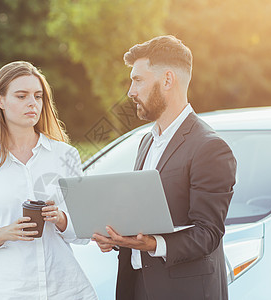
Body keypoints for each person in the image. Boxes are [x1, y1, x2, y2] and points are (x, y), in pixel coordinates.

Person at [93, 36, 237, 300]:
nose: (130, 91)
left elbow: (208, 233)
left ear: (167, 80)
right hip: (136, 287)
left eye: (138, 80)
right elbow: (145, 217)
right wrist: (117, 238)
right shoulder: (146, 142)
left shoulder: (210, 147)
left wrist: (154, 244)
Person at [0, 61, 97, 300]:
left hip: (64, 290)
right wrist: (3, 233)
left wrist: (62, 219)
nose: (32, 103)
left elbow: (85, 233)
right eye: (21, 96)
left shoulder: (65, 155)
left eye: (38, 96)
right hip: (3, 291)